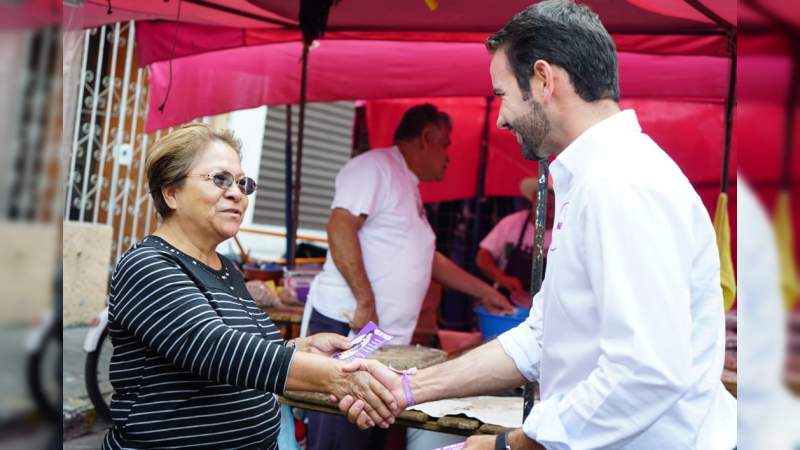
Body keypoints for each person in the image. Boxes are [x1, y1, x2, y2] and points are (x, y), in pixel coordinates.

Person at [338, 2, 737, 449]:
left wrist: (508, 445)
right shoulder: (594, 181)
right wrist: (407, 389)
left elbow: (646, 373)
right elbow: (540, 338)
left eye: (502, 94)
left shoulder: (621, 184)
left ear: (544, 80)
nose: (501, 117)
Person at [100, 123, 399, 449]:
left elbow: (248, 351)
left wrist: (303, 348)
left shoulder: (225, 268)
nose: (237, 193)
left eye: (243, 183)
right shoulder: (148, 265)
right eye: (220, 180)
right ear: (171, 192)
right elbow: (215, 348)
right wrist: (335, 377)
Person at [302, 103, 514, 450]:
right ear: (427, 137)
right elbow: (340, 226)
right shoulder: (374, 167)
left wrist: (484, 291)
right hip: (348, 331)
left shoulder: (407, 185)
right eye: (446, 144)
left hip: (382, 339)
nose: (449, 156)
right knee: (340, 438)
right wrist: (365, 299)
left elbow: (426, 257)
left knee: (368, 434)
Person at [476, 177, 553, 307]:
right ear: (534, 200)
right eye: (546, 204)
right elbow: (482, 257)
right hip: (505, 302)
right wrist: (502, 278)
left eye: (553, 207)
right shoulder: (512, 223)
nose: (549, 213)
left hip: (547, 306)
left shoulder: (565, 232)